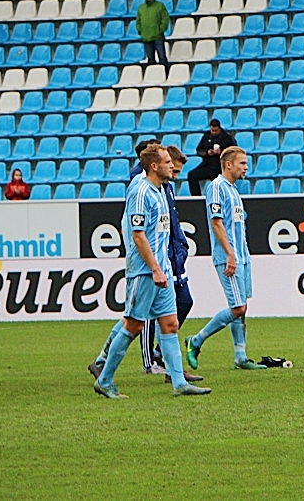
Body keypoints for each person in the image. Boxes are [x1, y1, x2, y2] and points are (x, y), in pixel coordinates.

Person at [93, 145, 210, 399]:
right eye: (168, 162)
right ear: (154, 166)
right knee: (133, 325)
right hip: (145, 272)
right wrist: (155, 268)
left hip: (162, 269)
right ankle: (105, 379)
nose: (173, 165)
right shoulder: (140, 191)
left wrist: (164, 267)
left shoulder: (161, 190)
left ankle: (179, 383)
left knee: (170, 324)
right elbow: (137, 235)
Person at [183, 147, 265, 372]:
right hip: (228, 257)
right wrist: (230, 254)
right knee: (237, 307)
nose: (246, 167)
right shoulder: (216, 187)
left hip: (241, 256)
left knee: (242, 307)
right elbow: (216, 223)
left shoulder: (233, 190)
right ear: (228, 164)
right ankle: (196, 340)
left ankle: (240, 356)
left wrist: (241, 255)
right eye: (242, 163)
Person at [187, 118, 236, 196]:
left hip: (221, 167)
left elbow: (234, 152)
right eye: (212, 130)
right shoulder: (206, 136)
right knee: (192, 175)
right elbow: (199, 150)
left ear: (219, 128)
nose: (213, 132)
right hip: (207, 165)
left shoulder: (227, 138)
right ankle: (196, 198)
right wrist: (207, 153)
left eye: (215, 130)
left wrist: (222, 152)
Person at [137, 0, 170, 67]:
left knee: (162, 57)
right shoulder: (141, 8)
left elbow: (165, 19)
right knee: (150, 59)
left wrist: (160, 30)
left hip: (158, 36)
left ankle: (166, 74)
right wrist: (140, 30)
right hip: (146, 36)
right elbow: (138, 20)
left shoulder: (160, 6)